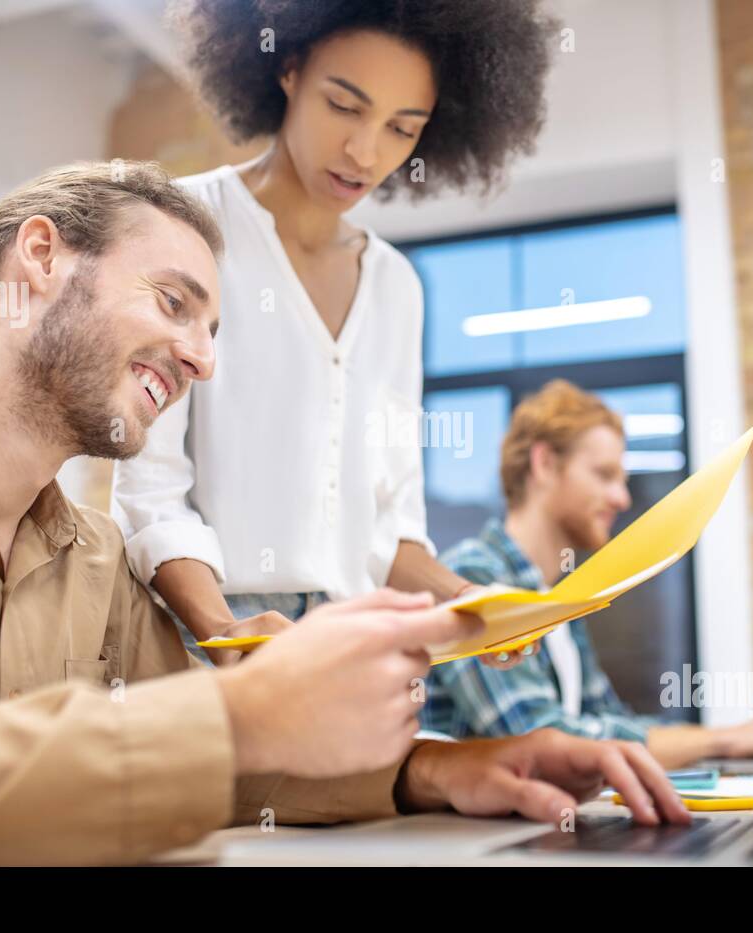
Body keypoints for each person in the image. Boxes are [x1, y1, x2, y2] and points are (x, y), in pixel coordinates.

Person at [0, 162, 690, 865]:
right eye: (176, 304)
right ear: (42, 258)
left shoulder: (97, 561)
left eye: (216, 331)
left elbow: (227, 760)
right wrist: (241, 714)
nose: (203, 361)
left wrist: (443, 771)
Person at [113, 0, 558, 668]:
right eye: (345, 106)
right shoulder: (187, 224)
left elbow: (390, 529)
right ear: (288, 68)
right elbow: (149, 490)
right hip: (196, 632)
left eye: (403, 128)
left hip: (345, 647)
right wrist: (222, 628)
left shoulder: (396, 288)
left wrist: (469, 599)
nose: (365, 151)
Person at [420, 380, 753, 769]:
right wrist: (723, 742)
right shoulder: (470, 574)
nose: (622, 498)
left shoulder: (560, 599)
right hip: (485, 829)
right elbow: (540, 736)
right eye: (604, 474)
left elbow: (607, 719)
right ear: (544, 464)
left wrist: (722, 740)